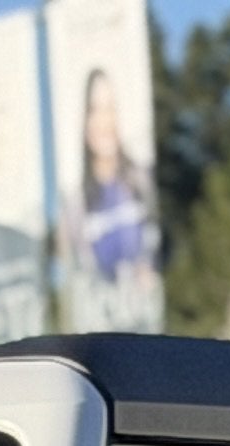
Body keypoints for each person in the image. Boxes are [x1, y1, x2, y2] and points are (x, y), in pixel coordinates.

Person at [59, 63, 159, 331]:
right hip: (99, 332)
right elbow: (74, 273)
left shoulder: (141, 180)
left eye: (110, 108)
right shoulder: (75, 202)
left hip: (147, 328)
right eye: (95, 110)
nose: (104, 120)